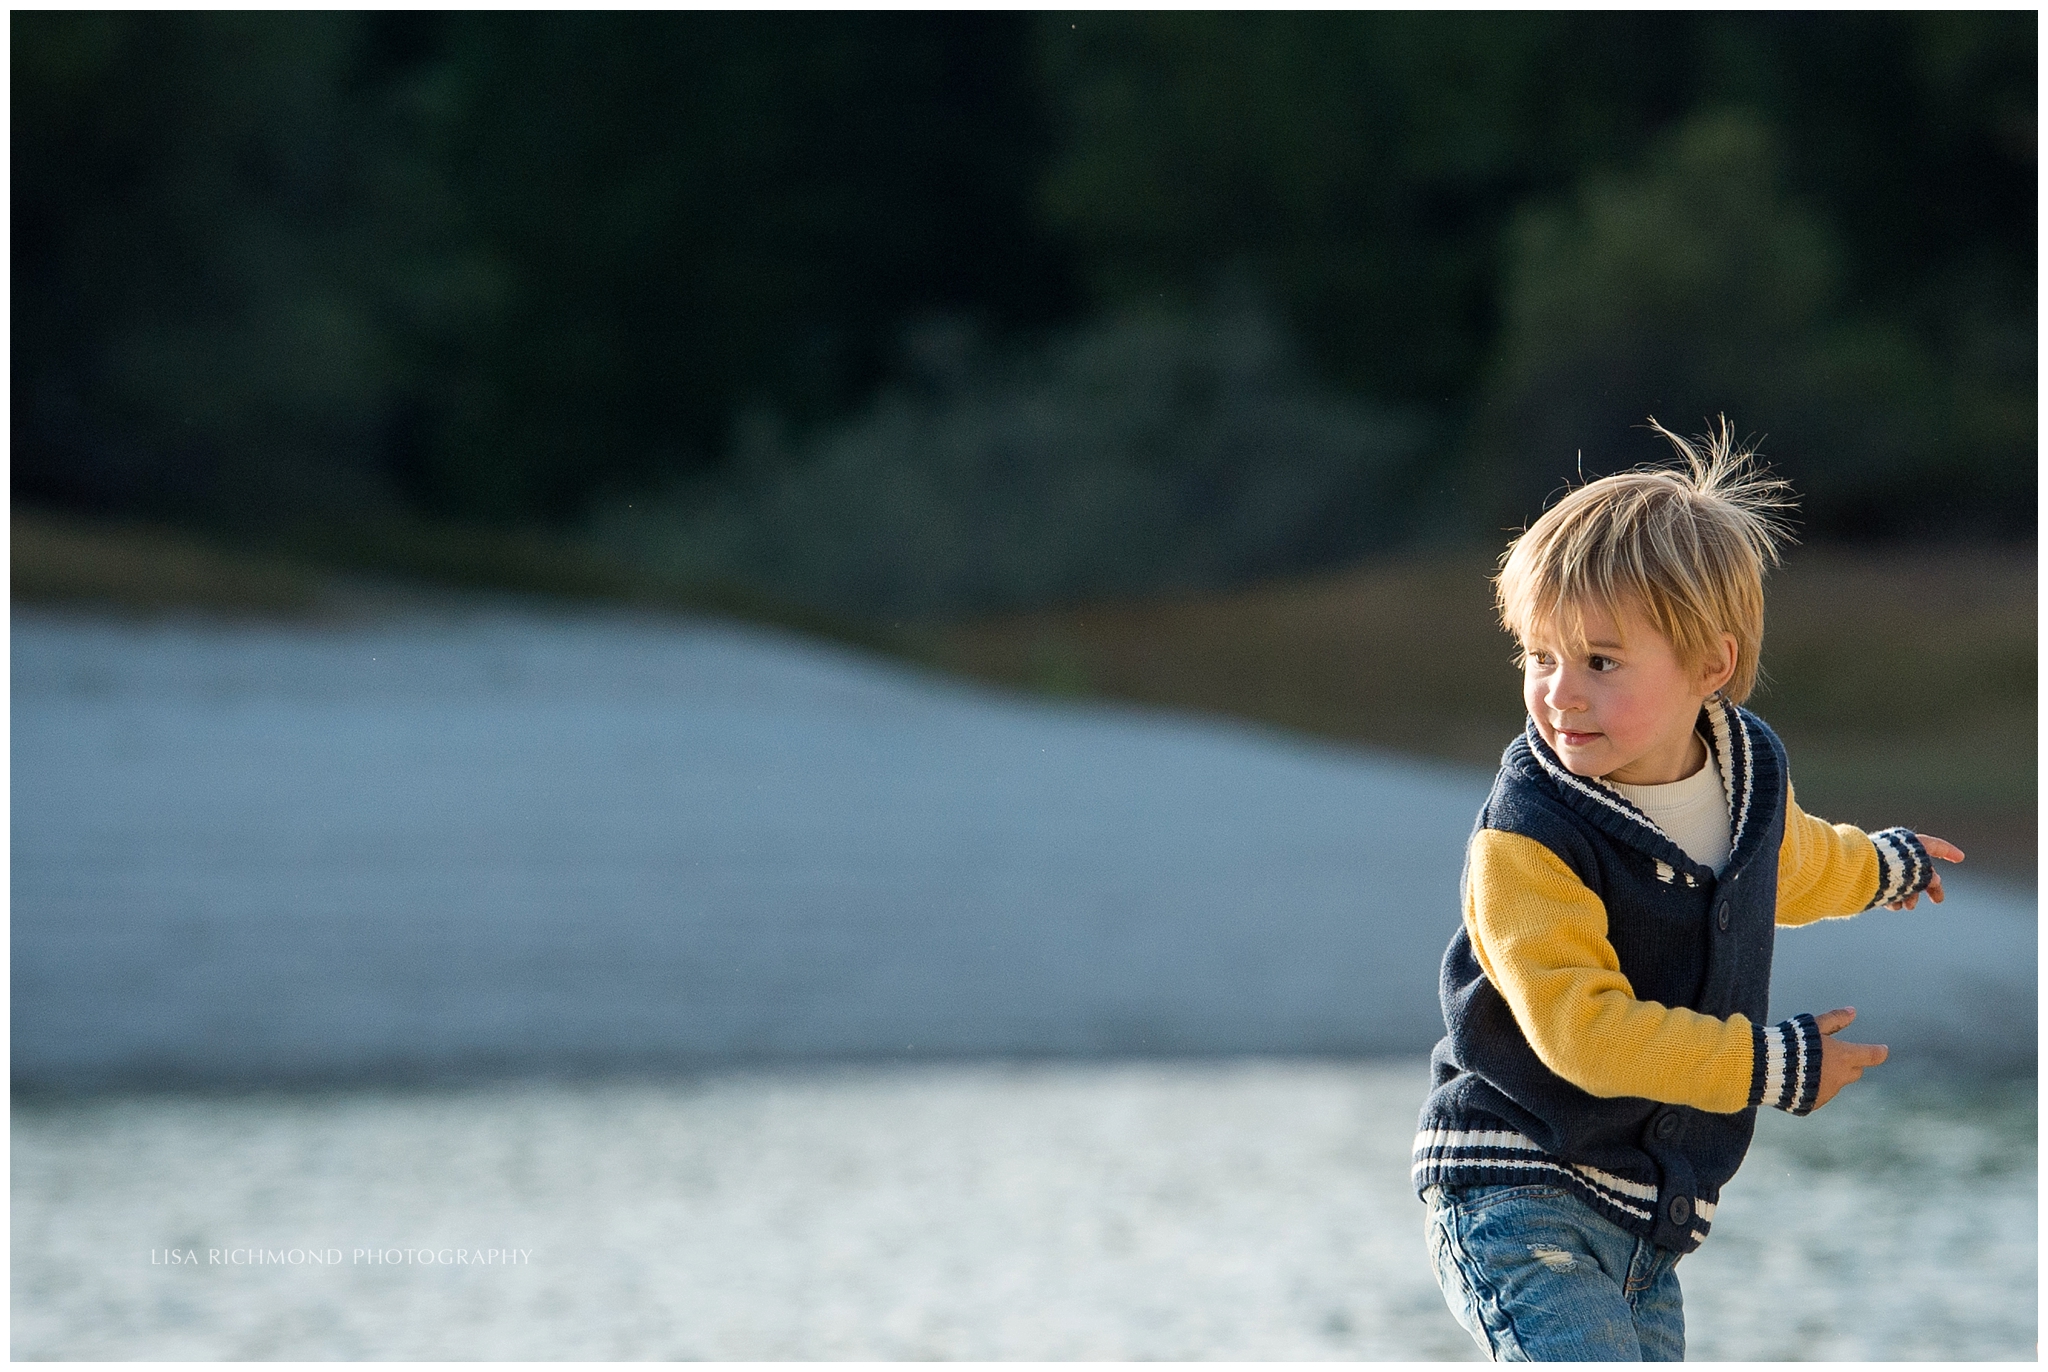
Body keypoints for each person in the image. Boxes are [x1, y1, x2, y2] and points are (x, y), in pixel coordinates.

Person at [1413, 417, 1964, 1362]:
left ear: (1709, 666)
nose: (1560, 693)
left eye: (1600, 661)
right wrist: (1766, 1067)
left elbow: (1789, 863)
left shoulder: (1744, 771)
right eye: (1539, 658)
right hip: (1515, 1187)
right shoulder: (1529, 838)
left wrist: (1883, 866)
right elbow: (1584, 1033)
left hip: (1648, 1220)